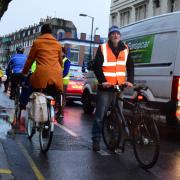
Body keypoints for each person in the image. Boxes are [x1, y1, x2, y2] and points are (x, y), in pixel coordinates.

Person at [91, 25, 134, 151]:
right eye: (113, 34)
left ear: (120, 36)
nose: (115, 36)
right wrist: (103, 81)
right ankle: (96, 140)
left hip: (119, 87)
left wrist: (130, 80)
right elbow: (97, 66)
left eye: (117, 34)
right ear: (109, 36)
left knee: (118, 116)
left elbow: (130, 65)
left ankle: (114, 140)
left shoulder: (125, 48)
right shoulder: (103, 48)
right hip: (106, 88)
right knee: (100, 116)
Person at [21, 24, 63, 109]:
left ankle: (23, 104)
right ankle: (55, 109)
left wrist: (24, 72)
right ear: (51, 33)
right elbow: (61, 62)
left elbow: (30, 60)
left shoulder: (37, 42)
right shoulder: (58, 44)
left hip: (41, 74)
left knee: (29, 87)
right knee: (54, 94)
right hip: (56, 75)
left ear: (42, 32)